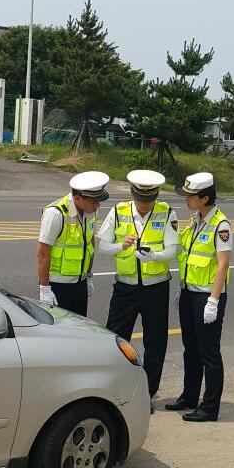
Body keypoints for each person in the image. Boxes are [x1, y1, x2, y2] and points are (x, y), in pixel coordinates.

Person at [98, 170, 179, 411]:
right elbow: (102, 246)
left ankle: (147, 395)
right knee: (115, 338)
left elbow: (173, 249)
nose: (144, 206)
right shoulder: (118, 211)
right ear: (133, 195)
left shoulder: (166, 213)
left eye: (149, 202)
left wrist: (154, 256)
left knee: (155, 342)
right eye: (141, 202)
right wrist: (119, 246)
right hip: (125, 287)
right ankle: (114, 391)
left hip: (156, 288)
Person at [165, 172, 232, 422]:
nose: (186, 200)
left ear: (205, 198)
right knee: (190, 349)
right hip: (189, 293)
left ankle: (210, 407)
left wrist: (213, 301)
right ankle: (189, 396)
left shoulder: (221, 225)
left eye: (190, 196)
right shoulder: (195, 220)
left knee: (209, 353)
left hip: (207, 297)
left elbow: (223, 265)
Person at [37, 171, 110, 316]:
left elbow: (90, 243)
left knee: (79, 329)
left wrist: (88, 276)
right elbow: (42, 253)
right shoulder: (56, 213)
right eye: (94, 202)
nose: (97, 205)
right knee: (59, 333)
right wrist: (45, 288)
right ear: (77, 198)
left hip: (80, 283)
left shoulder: (90, 212)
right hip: (58, 286)